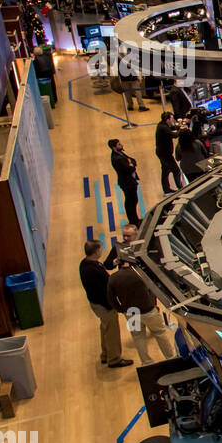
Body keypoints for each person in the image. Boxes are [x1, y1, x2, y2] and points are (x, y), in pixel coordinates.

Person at [107, 251, 175, 365]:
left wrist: (121, 310)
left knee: (138, 337)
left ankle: (146, 362)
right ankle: (171, 358)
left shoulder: (113, 278)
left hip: (130, 312)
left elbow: (111, 298)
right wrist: (154, 305)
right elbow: (153, 291)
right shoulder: (141, 274)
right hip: (148, 310)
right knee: (160, 333)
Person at [79, 240, 131, 368]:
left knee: (105, 329)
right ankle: (114, 359)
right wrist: (112, 304)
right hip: (104, 305)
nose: (101, 251)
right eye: (100, 249)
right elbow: (102, 289)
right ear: (96, 251)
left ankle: (106, 354)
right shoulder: (92, 269)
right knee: (112, 332)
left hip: (98, 303)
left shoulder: (86, 264)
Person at [108, 138, 142, 226]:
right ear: (114, 148)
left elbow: (132, 160)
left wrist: (131, 163)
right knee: (131, 201)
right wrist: (131, 164)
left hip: (129, 181)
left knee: (133, 200)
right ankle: (133, 221)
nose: (122, 145)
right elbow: (129, 168)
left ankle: (135, 219)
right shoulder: (117, 158)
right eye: (119, 144)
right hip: (127, 183)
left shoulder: (120, 154)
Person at [154, 113, 185, 195]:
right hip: (165, 154)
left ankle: (166, 189)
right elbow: (174, 135)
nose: (173, 120)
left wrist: (178, 127)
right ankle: (180, 188)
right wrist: (181, 130)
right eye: (172, 119)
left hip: (162, 152)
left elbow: (172, 127)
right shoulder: (163, 128)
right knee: (176, 170)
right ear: (167, 120)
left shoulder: (162, 125)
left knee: (165, 170)